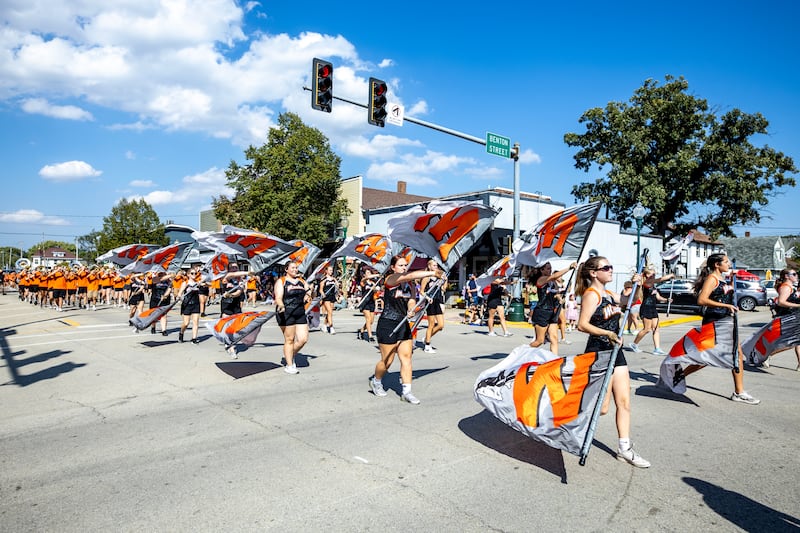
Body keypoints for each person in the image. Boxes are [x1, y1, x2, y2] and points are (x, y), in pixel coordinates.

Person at [576, 256, 650, 468]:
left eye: (611, 266)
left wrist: (638, 284)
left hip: (615, 350)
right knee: (603, 407)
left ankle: (624, 448)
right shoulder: (591, 295)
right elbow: (582, 325)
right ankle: (568, 424)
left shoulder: (609, 294)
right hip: (598, 351)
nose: (610, 270)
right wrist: (607, 333)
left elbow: (630, 302)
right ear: (593, 273)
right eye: (606, 267)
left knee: (624, 402)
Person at [674, 253, 760, 404]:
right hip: (714, 321)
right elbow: (702, 300)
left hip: (726, 320)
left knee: (735, 354)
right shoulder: (712, 279)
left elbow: (723, 294)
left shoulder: (722, 278)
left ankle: (739, 391)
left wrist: (731, 287)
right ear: (717, 265)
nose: (729, 265)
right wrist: (725, 305)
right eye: (726, 262)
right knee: (707, 356)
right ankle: (679, 375)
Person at [370, 255, 444, 404]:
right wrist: (432, 273)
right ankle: (376, 380)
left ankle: (407, 392)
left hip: (403, 323)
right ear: (393, 267)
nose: (404, 268)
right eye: (401, 265)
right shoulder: (390, 279)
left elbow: (411, 301)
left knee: (406, 358)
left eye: (405, 265)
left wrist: (412, 309)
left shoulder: (409, 285)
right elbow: (410, 275)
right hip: (388, 323)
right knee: (387, 361)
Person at [529, 262, 577, 355]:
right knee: (539, 341)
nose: (549, 270)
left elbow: (555, 293)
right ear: (541, 270)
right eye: (547, 268)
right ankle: (522, 353)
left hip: (552, 312)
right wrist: (569, 268)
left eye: (550, 268)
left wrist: (559, 298)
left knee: (554, 338)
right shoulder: (541, 279)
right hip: (542, 312)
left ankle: (554, 360)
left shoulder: (552, 281)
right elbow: (554, 276)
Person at [274, 260, 310, 374]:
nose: (295, 270)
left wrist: (309, 293)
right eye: (293, 268)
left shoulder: (301, 281)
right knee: (289, 339)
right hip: (286, 312)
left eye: (296, 268)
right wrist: (281, 305)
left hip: (299, 312)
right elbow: (278, 297)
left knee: (303, 339)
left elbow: (309, 293)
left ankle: (289, 354)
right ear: (286, 269)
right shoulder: (282, 281)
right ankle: (289, 365)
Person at [628, 267, 674, 355]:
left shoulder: (653, 286)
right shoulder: (647, 282)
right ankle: (634, 344)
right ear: (647, 275)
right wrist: (670, 275)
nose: (654, 276)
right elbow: (661, 279)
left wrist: (666, 300)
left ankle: (657, 348)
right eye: (652, 274)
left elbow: (658, 297)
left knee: (656, 328)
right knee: (647, 329)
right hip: (646, 308)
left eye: (654, 274)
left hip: (653, 308)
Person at [767, 268, 800, 370]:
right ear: (787, 276)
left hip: (792, 316)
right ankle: (767, 355)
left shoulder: (790, 287)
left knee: (797, 341)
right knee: (791, 342)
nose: (796, 275)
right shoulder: (786, 287)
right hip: (788, 317)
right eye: (794, 274)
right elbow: (781, 302)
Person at [420, 259, 446, 353]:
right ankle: (427, 345)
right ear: (430, 267)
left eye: (436, 265)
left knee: (441, 325)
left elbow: (443, 289)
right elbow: (421, 291)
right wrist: (427, 298)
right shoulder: (427, 277)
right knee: (431, 324)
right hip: (430, 301)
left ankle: (427, 337)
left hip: (438, 300)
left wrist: (445, 281)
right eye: (434, 265)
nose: (436, 267)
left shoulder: (439, 277)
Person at [176, 268, 204, 344]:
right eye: (192, 273)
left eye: (195, 273)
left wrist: (202, 282)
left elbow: (208, 284)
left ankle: (194, 338)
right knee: (186, 323)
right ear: (188, 275)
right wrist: (180, 297)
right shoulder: (185, 283)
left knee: (196, 322)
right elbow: (179, 294)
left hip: (196, 303)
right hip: (187, 304)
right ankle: (181, 333)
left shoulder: (197, 283)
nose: (194, 275)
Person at [357, 266, 381, 342]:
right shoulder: (363, 281)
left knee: (371, 321)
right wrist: (377, 275)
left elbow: (376, 291)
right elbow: (365, 280)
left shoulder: (373, 283)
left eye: (369, 272)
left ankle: (361, 330)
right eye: (367, 273)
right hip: (365, 302)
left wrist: (375, 289)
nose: (368, 274)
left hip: (371, 302)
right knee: (368, 319)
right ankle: (370, 336)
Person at [319, 265, 338, 334]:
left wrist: (336, 282)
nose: (331, 271)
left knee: (330, 312)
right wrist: (323, 295)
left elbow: (337, 287)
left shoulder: (333, 278)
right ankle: (331, 327)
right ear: (326, 271)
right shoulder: (324, 279)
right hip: (326, 297)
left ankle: (324, 325)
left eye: (332, 270)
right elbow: (320, 290)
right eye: (330, 270)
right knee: (329, 312)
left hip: (332, 296)